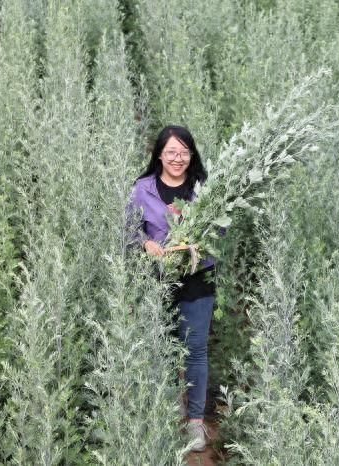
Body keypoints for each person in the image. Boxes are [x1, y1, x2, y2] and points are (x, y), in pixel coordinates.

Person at [126, 124, 221, 452]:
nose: (178, 158)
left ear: (191, 155)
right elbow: (129, 230)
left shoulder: (204, 190)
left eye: (184, 152)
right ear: (160, 155)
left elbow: (219, 233)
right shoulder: (142, 189)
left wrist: (199, 241)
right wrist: (146, 243)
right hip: (158, 282)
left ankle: (195, 422)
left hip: (197, 282)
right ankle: (168, 411)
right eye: (171, 152)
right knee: (163, 348)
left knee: (195, 350)